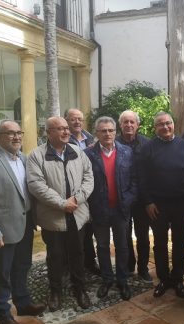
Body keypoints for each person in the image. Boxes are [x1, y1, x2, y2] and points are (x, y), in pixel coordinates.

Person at [0, 120, 45, 324]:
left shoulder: (24, 159)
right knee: (2, 274)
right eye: (10, 133)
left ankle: (23, 303)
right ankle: (3, 314)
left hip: (25, 226)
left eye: (19, 133)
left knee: (22, 267)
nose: (16, 137)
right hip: (3, 232)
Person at [27, 116, 94, 312]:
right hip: (53, 217)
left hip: (77, 214)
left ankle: (80, 289)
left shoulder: (77, 152)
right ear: (48, 133)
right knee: (55, 256)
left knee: (77, 253)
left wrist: (77, 200)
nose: (66, 132)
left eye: (66, 128)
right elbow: (36, 185)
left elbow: (89, 177)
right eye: (59, 129)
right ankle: (56, 291)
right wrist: (61, 204)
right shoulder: (36, 156)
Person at [139, 111, 184, 298]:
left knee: (180, 242)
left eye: (168, 123)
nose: (165, 127)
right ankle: (163, 278)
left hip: (181, 204)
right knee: (160, 243)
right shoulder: (148, 148)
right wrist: (148, 202)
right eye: (161, 124)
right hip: (157, 206)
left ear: (173, 124)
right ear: (155, 128)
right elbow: (142, 178)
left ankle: (177, 279)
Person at [85, 116, 137, 300]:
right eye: (103, 131)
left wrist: (128, 199)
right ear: (96, 133)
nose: (107, 134)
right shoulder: (88, 154)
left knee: (122, 246)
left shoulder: (127, 152)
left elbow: (134, 180)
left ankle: (122, 280)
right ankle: (107, 279)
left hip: (121, 210)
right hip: (99, 209)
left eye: (110, 130)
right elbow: (84, 182)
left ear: (116, 132)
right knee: (102, 245)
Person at [116, 110, 152, 282]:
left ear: (138, 125)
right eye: (125, 122)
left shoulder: (147, 143)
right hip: (121, 198)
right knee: (124, 235)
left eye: (132, 122)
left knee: (143, 235)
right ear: (120, 124)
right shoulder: (113, 142)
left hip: (142, 199)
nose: (129, 125)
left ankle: (143, 268)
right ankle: (129, 264)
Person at [65, 108, 100, 275]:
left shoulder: (92, 139)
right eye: (73, 119)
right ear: (66, 121)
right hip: (73, 193)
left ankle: (90, 262)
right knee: (76, 231)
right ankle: (73, 266)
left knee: (90, 229)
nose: (77, 122)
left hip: (92, 191)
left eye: (79, 119)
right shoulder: (63, 140)